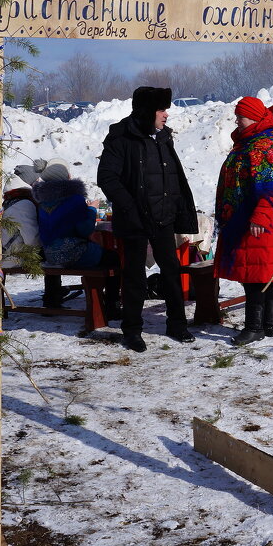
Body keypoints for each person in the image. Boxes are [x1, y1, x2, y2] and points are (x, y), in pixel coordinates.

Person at [98, 87, 199, 352]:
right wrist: (130, 208)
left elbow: (171, 175)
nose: (166, 114)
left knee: (172, 271)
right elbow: (107, 177)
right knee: (134, 276)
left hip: (163, 217)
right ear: (147, 111)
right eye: (161, 109)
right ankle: (132, 331)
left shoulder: (163, 137)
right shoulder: (121, 136)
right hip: (135, 220)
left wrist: (178, 207)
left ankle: (177, 324)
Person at [214, 96, 273, 346]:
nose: (237, 120)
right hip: (252, 218)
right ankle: (268, 324)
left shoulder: (265, 145)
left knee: (256, 275)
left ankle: (254, 327)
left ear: (255, 117)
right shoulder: (251, 141)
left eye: (241, 116)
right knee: (264, 273)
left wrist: (260, 216)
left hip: (260, 220)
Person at [33, 159, 119, 316]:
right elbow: (85, 230)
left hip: (50, 255)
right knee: (114, 259)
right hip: (74, 253)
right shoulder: (75, 199)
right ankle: (112, 305)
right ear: (65, 176)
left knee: (56, 257)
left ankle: (51, 300)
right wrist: (92, 209)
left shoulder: (42, 202)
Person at [6, 159, 77, 308]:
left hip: (8, 252)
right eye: (35, 181)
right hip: (14, 257)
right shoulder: (24, 204)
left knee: (50, 249)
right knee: (51, 251)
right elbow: (33, 240)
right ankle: (52, 298)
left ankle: (54, 294)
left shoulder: (12, 200)